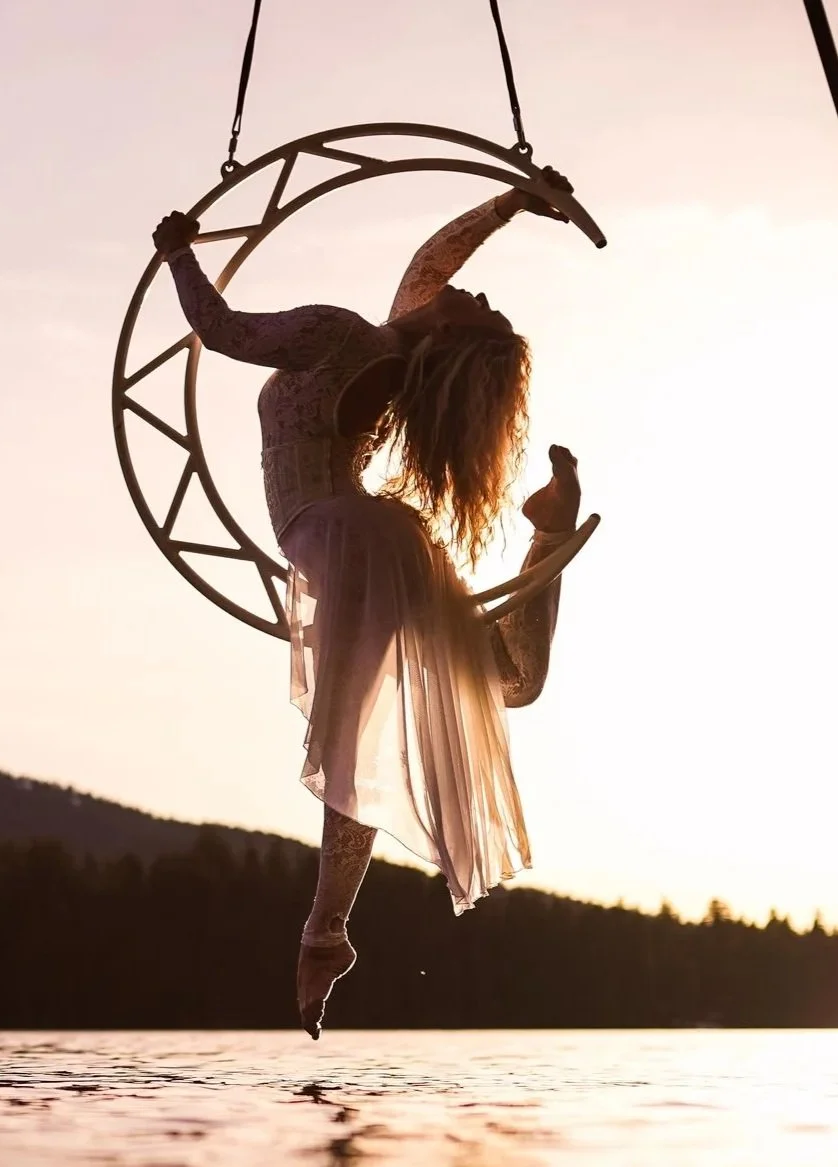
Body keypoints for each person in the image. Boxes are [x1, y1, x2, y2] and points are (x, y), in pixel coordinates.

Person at [153, 168, 582, 1039]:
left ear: (450, 333)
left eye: (481, 309)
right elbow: (436, 261)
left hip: (341, 535)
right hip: (362, 537)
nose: (475, 292)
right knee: (500, 682)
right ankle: (325, 932)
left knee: (355, 736)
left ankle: (327, 931)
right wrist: (509, 204)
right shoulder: (389, 342)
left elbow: (221, 331)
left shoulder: (346, 336)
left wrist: (176, 256)